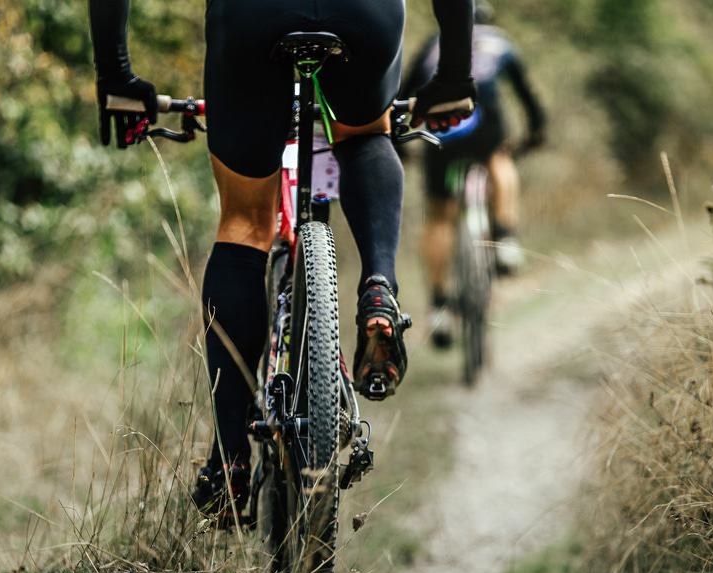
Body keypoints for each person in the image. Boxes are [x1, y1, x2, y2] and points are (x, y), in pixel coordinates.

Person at [88, 0, 476, 515]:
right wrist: (453, 76)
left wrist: (117, 73)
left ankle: (229, 459)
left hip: (252, 16)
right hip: (365, 14)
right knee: (365, 136)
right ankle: (379, 287)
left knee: (247, 223)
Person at [401, 1, 546, 348]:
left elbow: (403, 96)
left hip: (441, 127)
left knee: (439, 216)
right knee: (499, 155)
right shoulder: (501, 41)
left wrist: (402, 146)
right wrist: (536, 134)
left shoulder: (432, 44)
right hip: (484, 118)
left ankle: (438, 307)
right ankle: (506, 239)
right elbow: (528, 98)